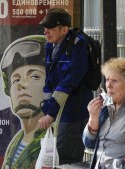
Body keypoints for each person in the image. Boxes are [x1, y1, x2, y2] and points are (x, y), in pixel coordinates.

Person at [38, 8, 93, 164]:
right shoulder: (50, 46)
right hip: (58, 115)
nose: (46, 32)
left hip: (73, 114)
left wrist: (51, 114)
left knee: (66, 159)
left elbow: (69, 82)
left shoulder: (78, 45)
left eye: (51, 28)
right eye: (45, 28)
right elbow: (49, 81)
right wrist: (48, 110)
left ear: (64, 29)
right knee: (56, 159)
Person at [0, 35, 47, 169]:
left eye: (34, 76)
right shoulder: (17, 140)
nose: (21, 85)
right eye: (16, 80)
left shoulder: (52, 138)